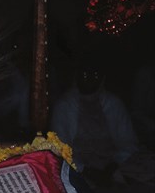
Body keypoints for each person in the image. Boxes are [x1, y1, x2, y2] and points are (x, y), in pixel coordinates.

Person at [49, 55, 139, 185]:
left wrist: (113, 165)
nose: (90, 79)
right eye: (85, 75)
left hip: (112, 161)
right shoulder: (64, 106)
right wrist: (85, 170)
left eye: (95, 75)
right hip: (78, 163)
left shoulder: (114, 104)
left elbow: (128, 142)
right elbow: (60, 148)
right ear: (77, 77)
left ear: (102, 79)